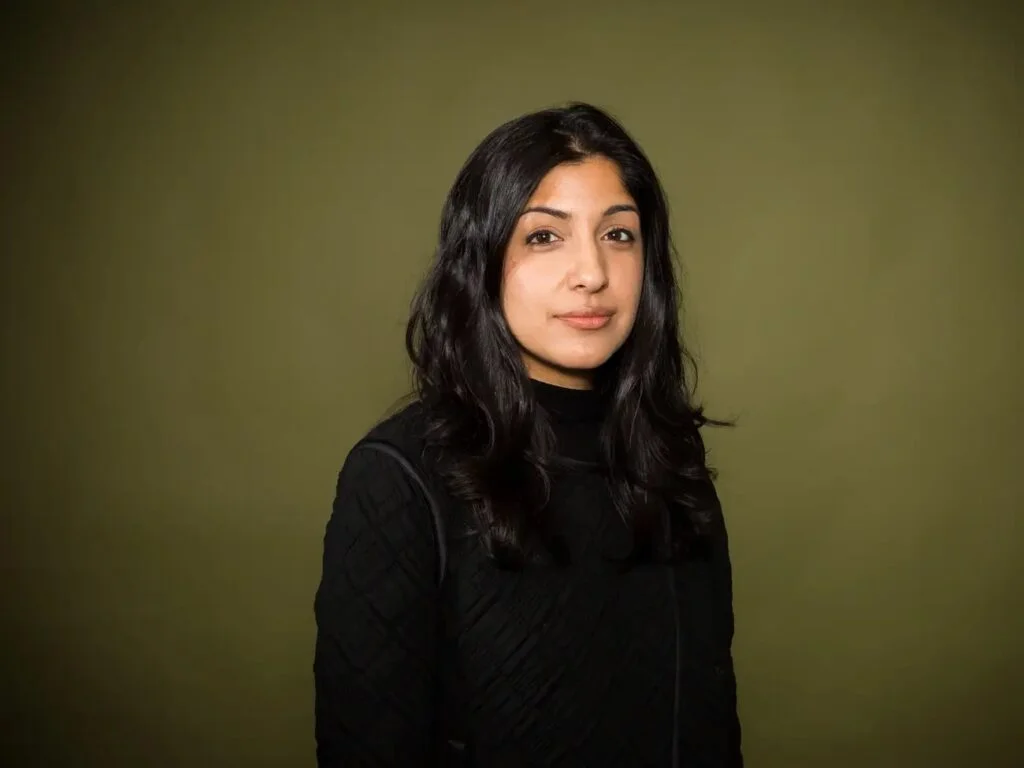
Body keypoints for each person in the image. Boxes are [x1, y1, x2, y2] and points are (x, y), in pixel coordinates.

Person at [313, 102, 741, 767]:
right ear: (481, 260)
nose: (592, 273)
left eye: (618, 234)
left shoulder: (668, 460)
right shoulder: (398, 479)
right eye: (544, 236)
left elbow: (709, 734)